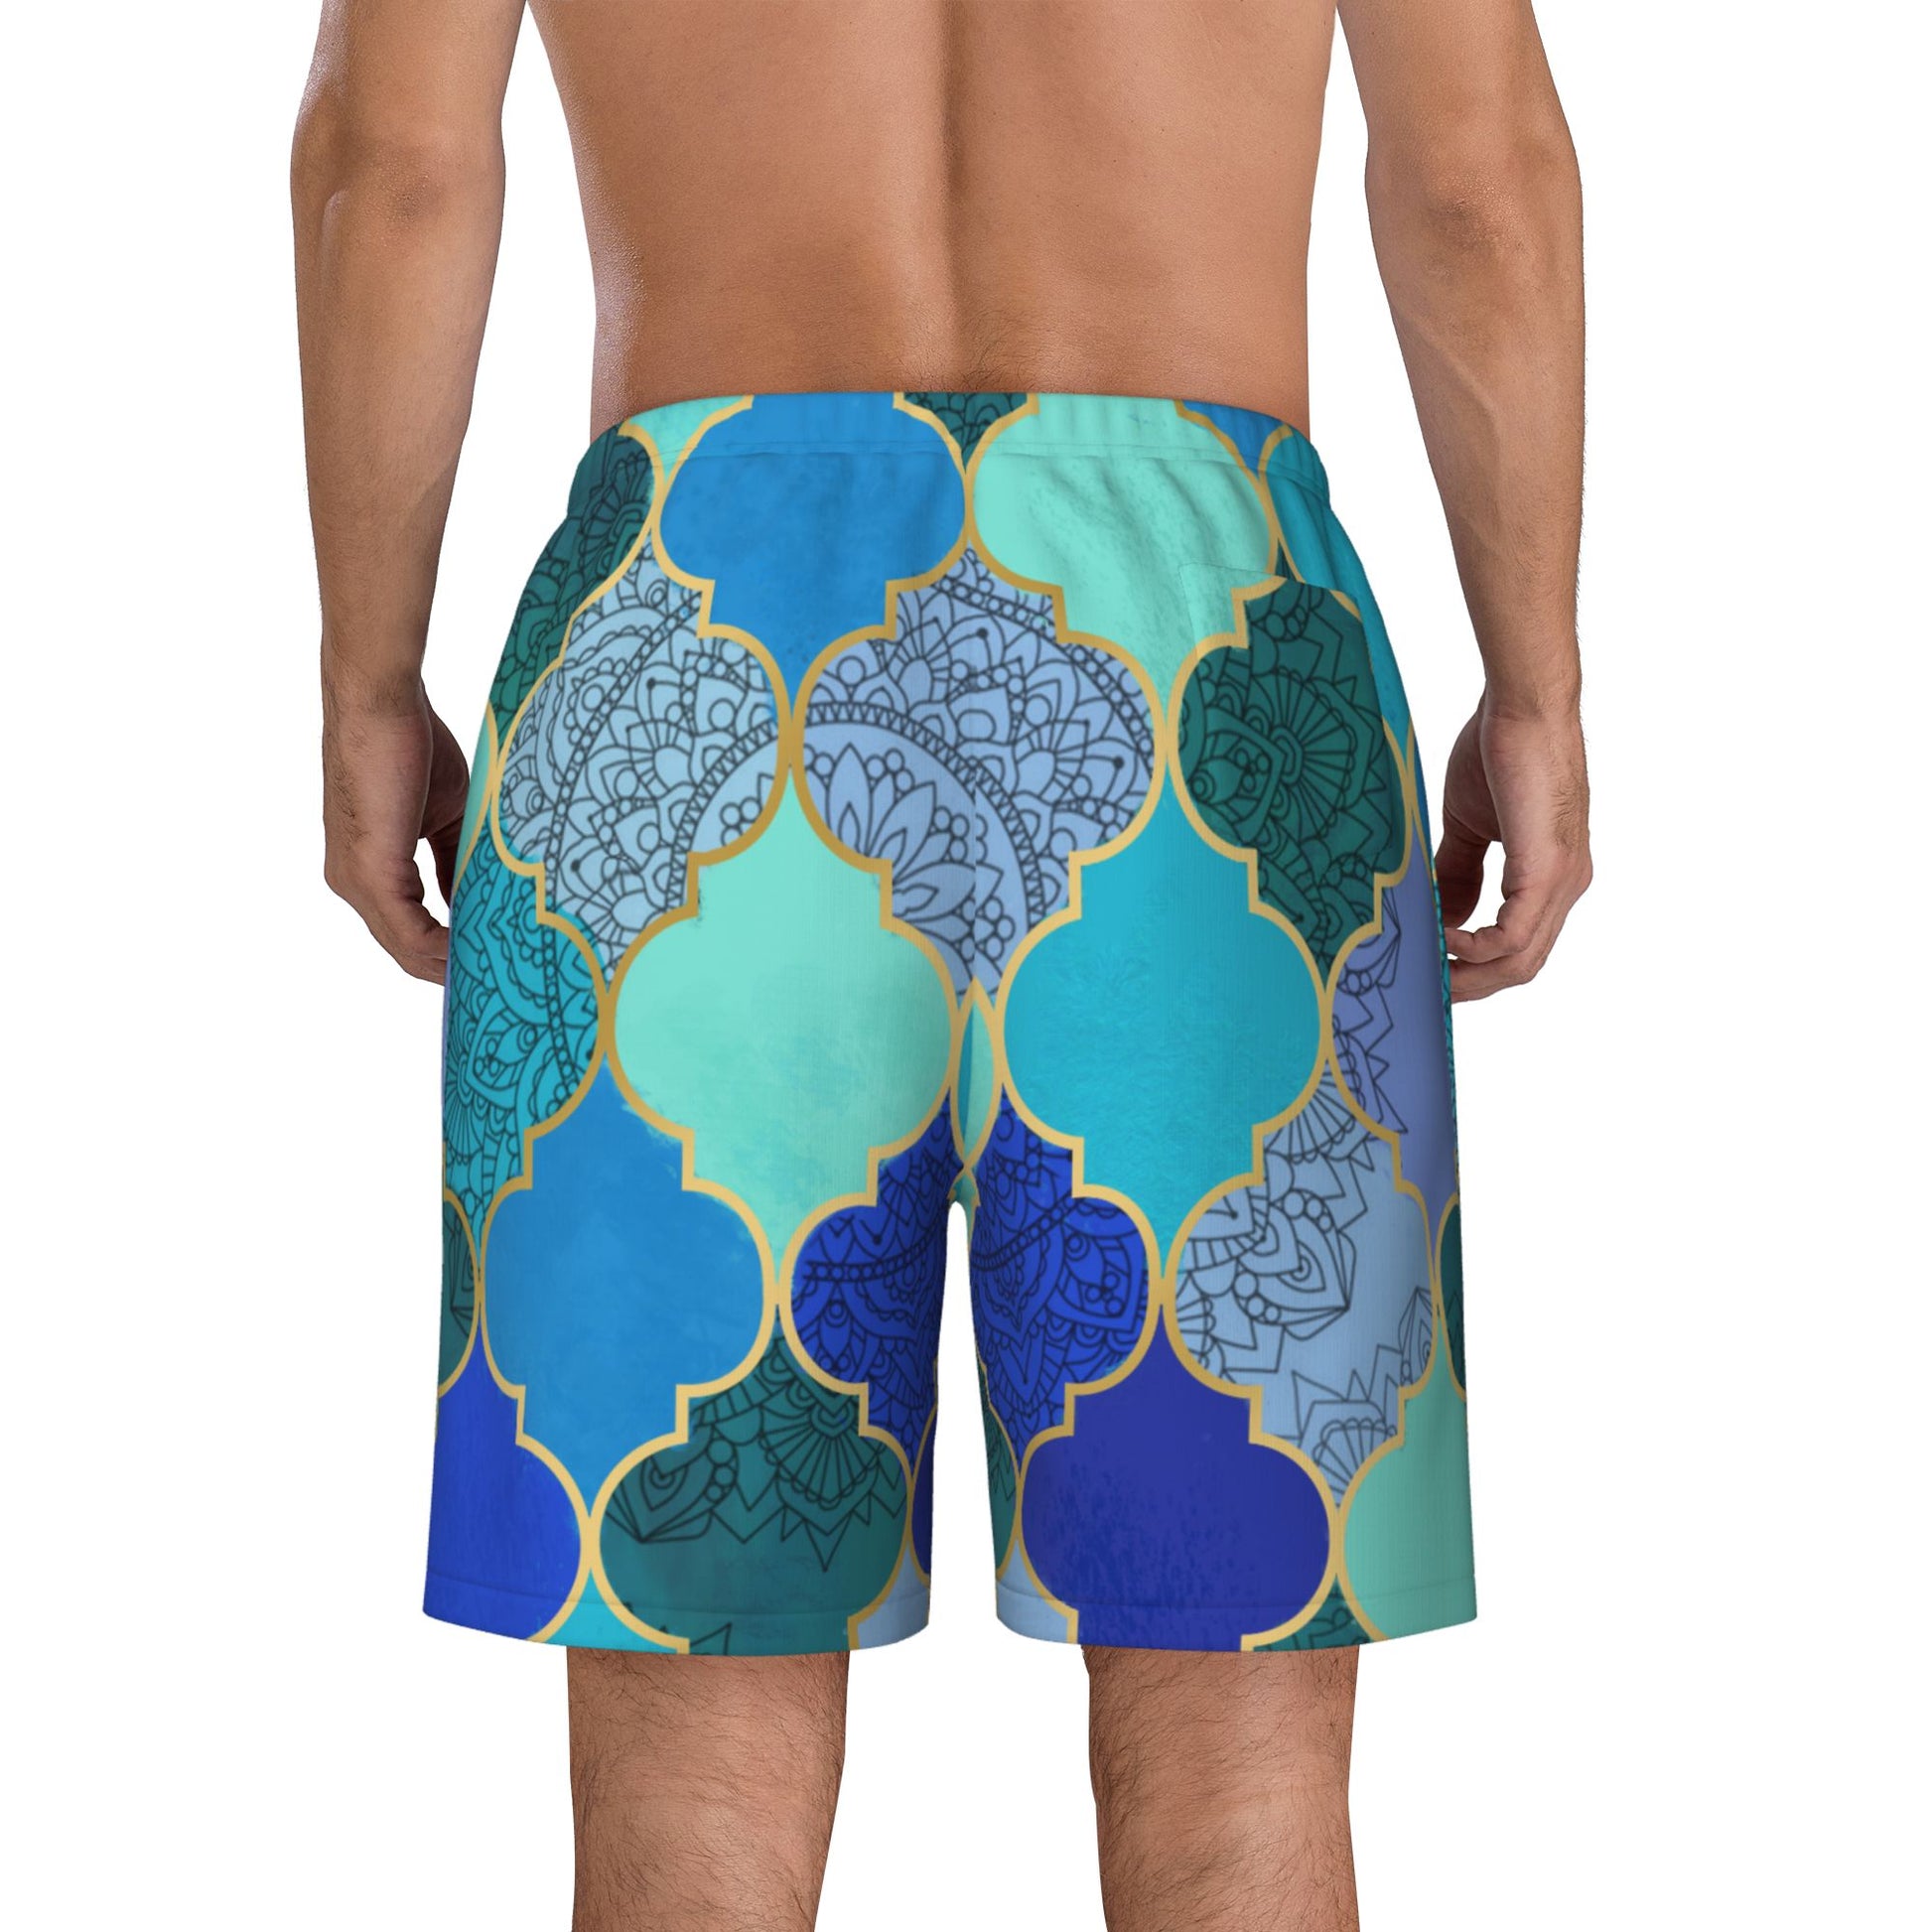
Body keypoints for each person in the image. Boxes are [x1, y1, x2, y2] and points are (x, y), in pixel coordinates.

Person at [293, 1, 1589, 1925]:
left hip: (691, 670)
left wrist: (365, 678)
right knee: (1236, 1749)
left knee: (687, 1771)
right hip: (1206, 680)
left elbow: (391, 168)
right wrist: (1536, 685)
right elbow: (1475, 179)